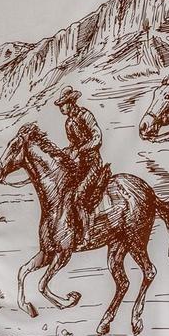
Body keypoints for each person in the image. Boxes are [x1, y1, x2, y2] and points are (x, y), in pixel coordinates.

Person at [55, 86, 109, 230]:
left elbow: (97, 138)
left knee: (79, 194)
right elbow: (73, 145)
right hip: (81, 164)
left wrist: (81, 149)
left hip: (93, 162)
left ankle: (86, 231)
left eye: (63, 104)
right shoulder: (68, 123)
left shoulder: (85, 115)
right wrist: (65, 153)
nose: (61, 107)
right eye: (60, 105)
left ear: (71, 102)